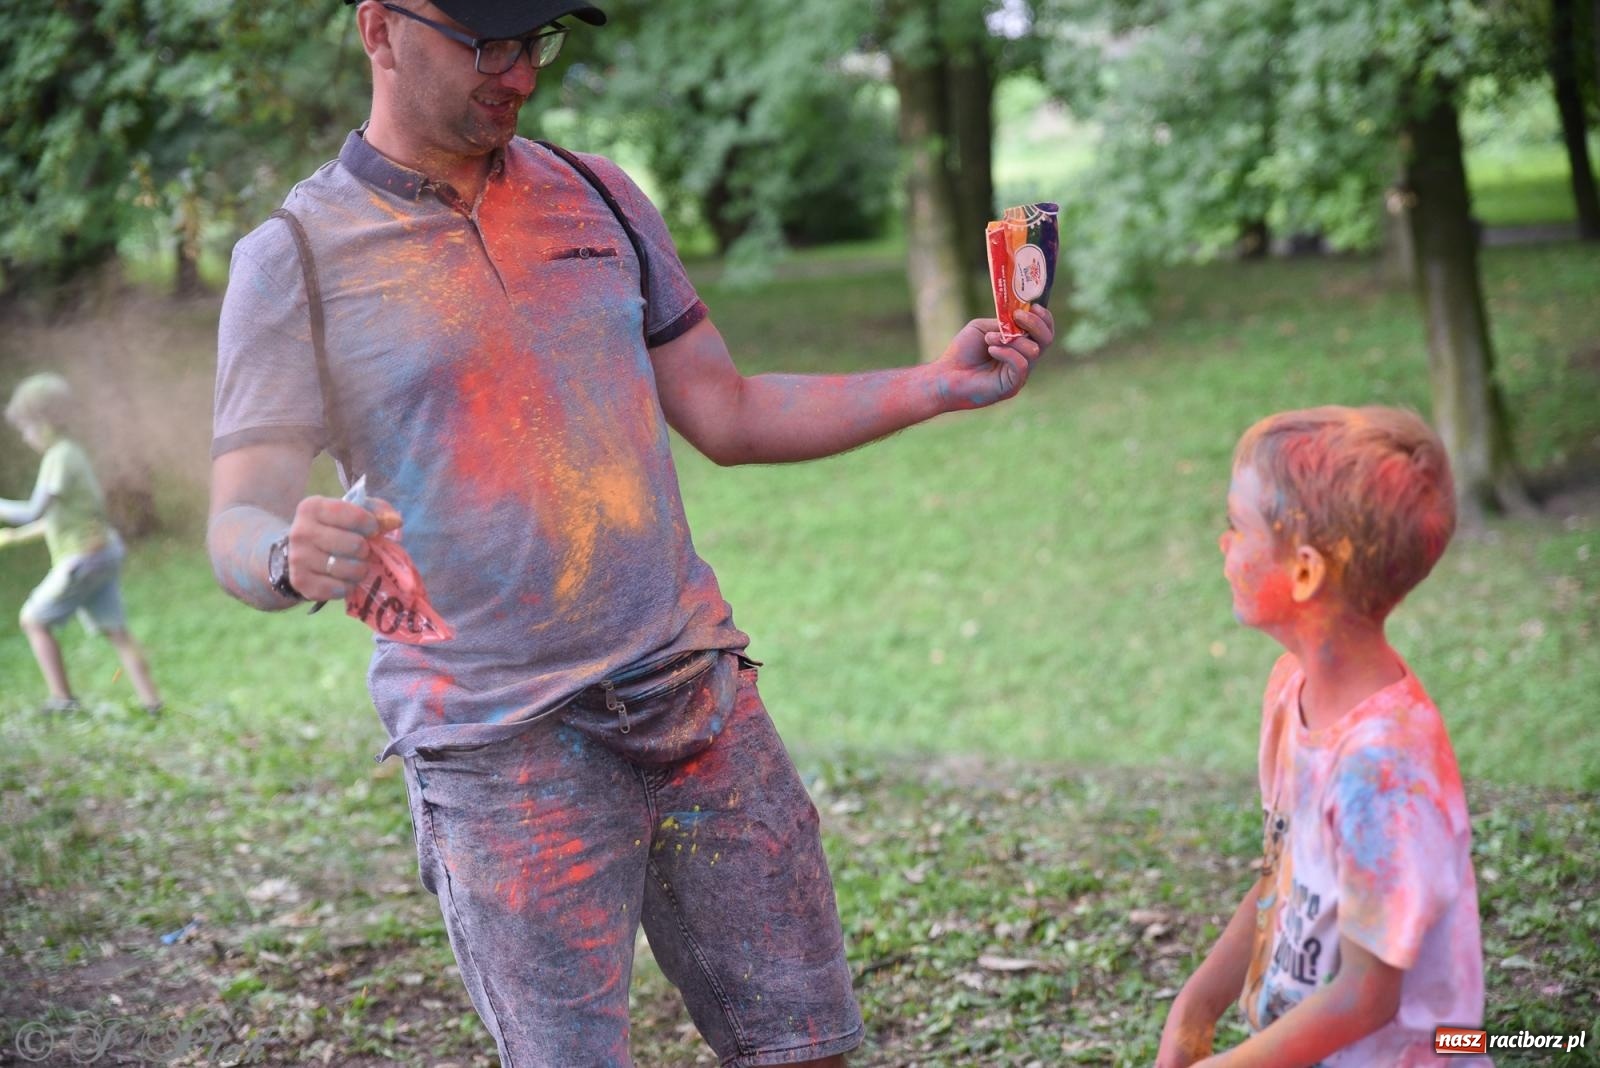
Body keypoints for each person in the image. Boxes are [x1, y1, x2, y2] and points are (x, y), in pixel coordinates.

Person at [205, 1, 1055, 1064]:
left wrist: (934, 383)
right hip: (499, 745)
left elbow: (729, 411)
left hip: (694, 693)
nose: (518, 74)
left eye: (536, 42)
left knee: (806, 1045)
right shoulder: (294, 254)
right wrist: (283, 555)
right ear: (379, 28)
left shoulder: (596, 191)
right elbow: (236, 515)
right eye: (488, 44)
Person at [1156, 406, 1487, 1068]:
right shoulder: (1290, 688)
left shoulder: (1384, 770)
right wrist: (1194, 1008)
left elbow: (1367, 997)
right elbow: (1284, 875)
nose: (1224, 545)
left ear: (1305, 572)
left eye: (1237, 528)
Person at [1, 372, 163, 715]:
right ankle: (152, 703)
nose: (25, 436)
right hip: (103, 551)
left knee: (33, 620)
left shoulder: (58, 457)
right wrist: (15, 537)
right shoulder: (72, 453)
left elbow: (32, 511)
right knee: (117, 631)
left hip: (83, 559)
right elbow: (56, 519)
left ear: (44, 422)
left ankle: (63, 699)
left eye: (26, 427)